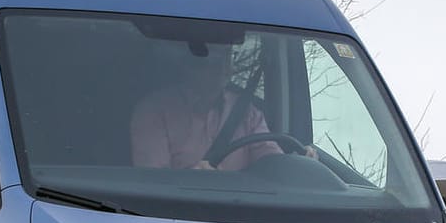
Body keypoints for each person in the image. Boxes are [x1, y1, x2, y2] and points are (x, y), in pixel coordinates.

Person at [130, 43, 315, 170]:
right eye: (215, 59)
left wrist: (297, 164)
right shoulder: (154, 111)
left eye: (229, 57)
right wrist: (190, 178)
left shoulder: (247, 113)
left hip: (243, 213)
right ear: (190, 64)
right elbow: (152, 180)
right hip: (176, 217)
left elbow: (270, 163)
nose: (225, 67)